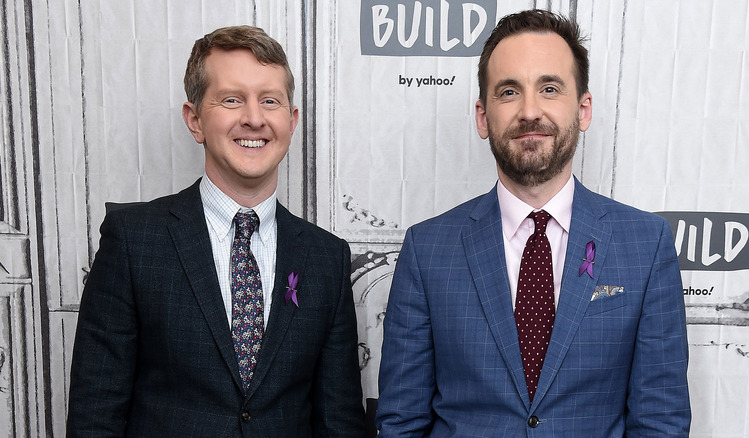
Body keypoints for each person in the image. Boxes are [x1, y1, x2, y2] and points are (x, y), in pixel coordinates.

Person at [375, 9, 690, 436]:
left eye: (549, 88)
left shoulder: (646, 245)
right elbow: (401, 422)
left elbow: (661, 421)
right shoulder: (427, 250)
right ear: (483, 117)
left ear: (583, 109)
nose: (529, 111)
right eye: (508, 91)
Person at [67, 25, 364, 437]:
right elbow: (95, 414)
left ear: (291, 121)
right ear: (195, 120)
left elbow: (341, 420)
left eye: (270, 101)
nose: (254, 118)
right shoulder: (135, 241)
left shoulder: (326, 257)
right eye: (231, 100)